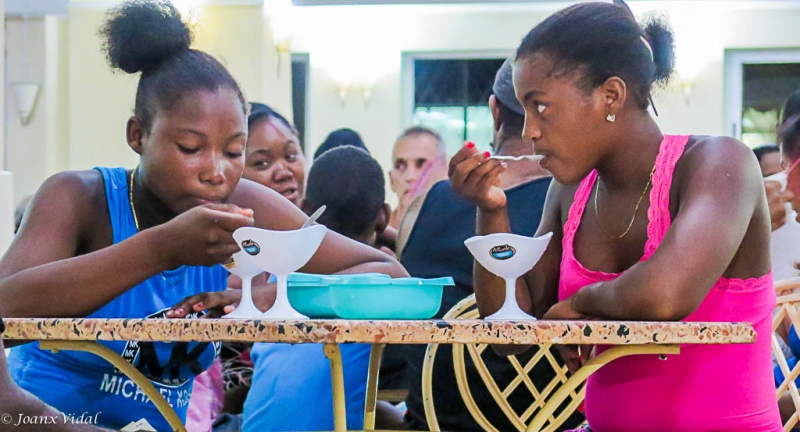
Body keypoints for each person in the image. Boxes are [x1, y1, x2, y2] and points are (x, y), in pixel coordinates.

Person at [0, 2, 406, 430]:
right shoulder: (79, 198)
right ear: (138, 135)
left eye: (234, 151)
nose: (216, 172)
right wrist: (161, 249)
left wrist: (262, 299)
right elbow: (5, 301)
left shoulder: (244, 205)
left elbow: (386, 270)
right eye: (191, 148)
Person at [449, 1, 781, 430]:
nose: (529, 130)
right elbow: (510, 336)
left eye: (540, 106)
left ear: (611, 96)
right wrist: (491, 211)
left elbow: (665, 295)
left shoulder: (719, 164)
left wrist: (581, 303)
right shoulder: (569, 192)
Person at [400, 57, 582, 431]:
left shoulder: (424, 202)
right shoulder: (579, 199)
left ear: (494, 111)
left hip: (433, 419)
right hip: (548, 422)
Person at [241, 145, 395, 431]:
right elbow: (399, 272)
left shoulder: (280, 276)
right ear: (383, 216)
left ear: (305, 211)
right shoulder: (380, 286)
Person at [388, 126, 448, 230]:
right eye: (401, 166)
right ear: (391, 179)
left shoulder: (459, 230)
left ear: (445, 173)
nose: (410, 176)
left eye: (422, 164)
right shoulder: (375, 234)